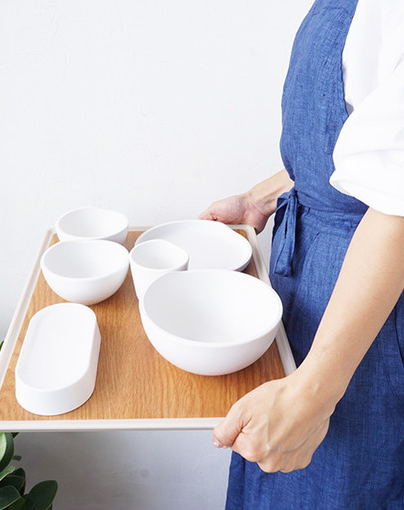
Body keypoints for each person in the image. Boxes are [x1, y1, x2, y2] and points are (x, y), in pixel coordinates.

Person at [199, 0, 404, 508]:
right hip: (312, 289)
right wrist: (260, 199)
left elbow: (399, 204)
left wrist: (311, 393)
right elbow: (369, 149)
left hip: (371, 310)